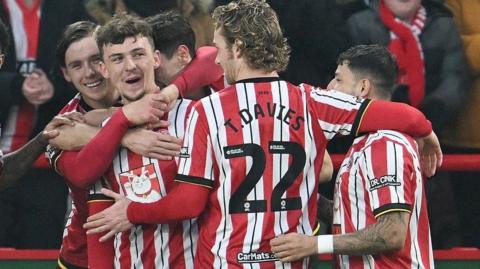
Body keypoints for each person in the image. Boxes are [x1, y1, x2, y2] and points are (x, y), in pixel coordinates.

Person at [84, 1, 441, 268]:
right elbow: (402, 114)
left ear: (238, 49)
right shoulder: (310, 100)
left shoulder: (207, 111)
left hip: (228, 259)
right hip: (289, 258)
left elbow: (188, 203)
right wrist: (426, 132)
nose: (218, 61)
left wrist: (134, 211)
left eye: (222, 49)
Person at [49, 13, 199, 268]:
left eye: (138, 54)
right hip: (81, 253)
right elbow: (82, 177)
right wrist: (123, 126)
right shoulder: (74, 124)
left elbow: (210, 58)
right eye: (117, 58)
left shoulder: (198, 115)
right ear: (106, 69)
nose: (129, 65)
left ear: (156, 58)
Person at [270, 44, 434, 268]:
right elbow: (354, 219)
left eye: (338, 79)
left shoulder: (386, 144)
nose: (328, 87)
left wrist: (314, 244)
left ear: (363, 87)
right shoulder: (366, 144)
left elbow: (392, 233)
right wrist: (306, 197)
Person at [0, 0, 92, 249]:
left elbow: (86, 73)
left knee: (41, 251)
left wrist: (54, 87)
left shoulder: (68, 8)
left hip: (47, 168)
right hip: (6, 164)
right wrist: (16, 86)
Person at [346, 0, 470, 136]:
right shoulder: (358, 24)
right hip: (374, 132)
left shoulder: (444, 26)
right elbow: (352, 82)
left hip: (435, 131)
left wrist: (437, 104)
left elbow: (455, 77)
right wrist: (391, 104)